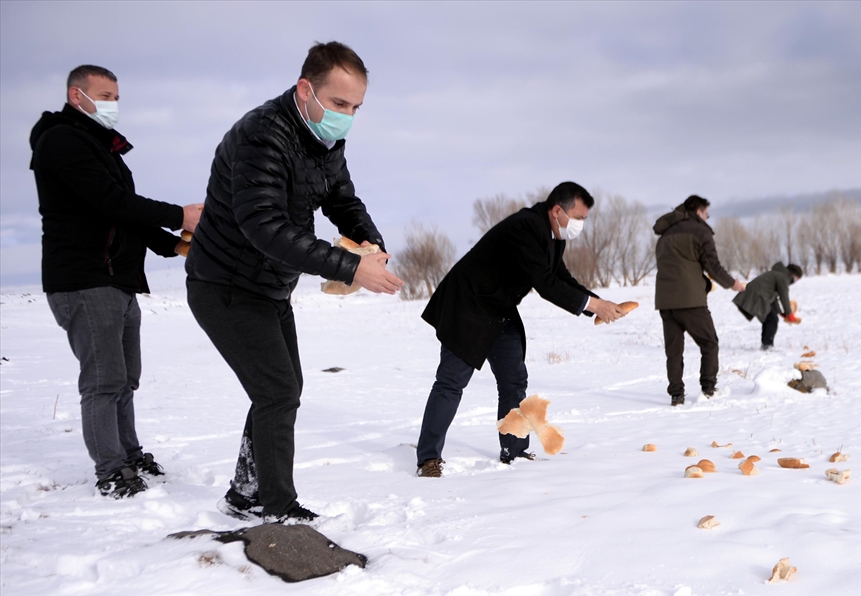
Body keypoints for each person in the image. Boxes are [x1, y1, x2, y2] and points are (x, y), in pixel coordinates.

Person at [185, 42, 403, 523]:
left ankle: (245, 492)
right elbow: (261, 224)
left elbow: (342, 198)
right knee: (277, 392)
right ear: (306, 89)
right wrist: (348, 268)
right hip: (224, 285)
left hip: (269, 287)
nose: (347, 117)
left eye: (356, 108)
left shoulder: (323, 139)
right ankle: (277, 509)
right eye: (340, 104)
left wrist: (369, 242)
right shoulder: (261, 137)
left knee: (281, 389)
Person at [30, 64, 204, 499]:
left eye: (116, 97)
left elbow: (122, 213)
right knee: (104, 381)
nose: (113, 104)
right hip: (84, 281)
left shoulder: (103, 149)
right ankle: (111, 472)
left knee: (126, 378)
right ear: (77, 96)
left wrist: (177, 246)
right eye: (104, 95)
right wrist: (178, 215)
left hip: (117, 282)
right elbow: (110, 201)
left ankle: (128, 455)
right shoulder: (62, 141)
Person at [415, 182, 627, 477]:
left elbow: (560, 276)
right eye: (578, 217)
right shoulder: (525, 227)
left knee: (514, 381)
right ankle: (428, 459)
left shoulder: (555, 236)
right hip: (468, 306)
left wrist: (598, 302)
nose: (581, 225)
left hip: (499, 309)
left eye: (584, 219)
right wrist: (593, 306)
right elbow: (545, 284)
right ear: (557, 210)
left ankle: (513, 452)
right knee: (451, 384)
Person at [652, 195, 745, 406]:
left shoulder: (665, 235)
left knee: (674, 351)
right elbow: (713, 266)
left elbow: (679, 265)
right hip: (690, 301)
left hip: (665, 301)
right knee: (709, 343)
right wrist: (733, 284)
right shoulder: (699, 231)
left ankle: (676, 395)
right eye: (706, 214)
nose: (707, 218)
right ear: (698, 212)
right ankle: (709, 389)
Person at [733, 262, 803, 350]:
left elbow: (773, 297)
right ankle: (767, 345)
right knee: (772, 320)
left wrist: (780, 312)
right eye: (797, 278)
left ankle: (766, 344)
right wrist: (789, 314)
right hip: (757, 295)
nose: (795, 281)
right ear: (793, 274)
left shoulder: (779, 274)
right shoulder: (783, 277)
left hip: (760, 295)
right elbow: (784, 296)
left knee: (770, 319)